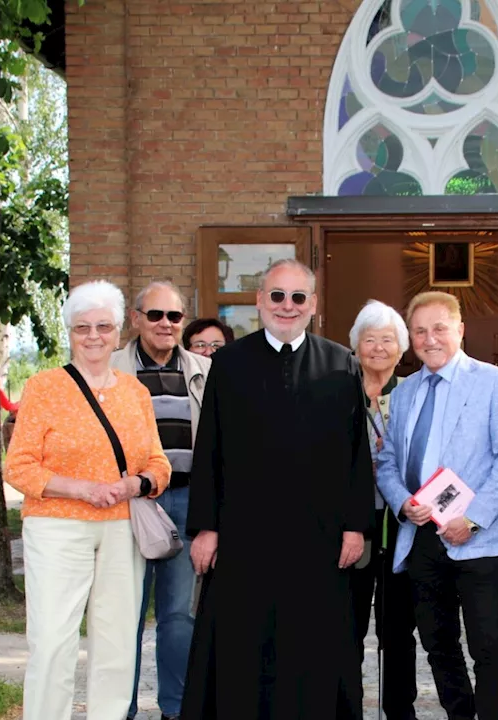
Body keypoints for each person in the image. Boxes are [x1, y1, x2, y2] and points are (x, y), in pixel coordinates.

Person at [181, 259, 374, 720]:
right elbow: (209, 448)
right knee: (243, 643)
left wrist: (356, 527)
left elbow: (356, 456)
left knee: (311, 645)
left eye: (298, 297)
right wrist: (205, 528)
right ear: (259, 301)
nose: (287, 306)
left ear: (313, 305)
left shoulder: (341, 365)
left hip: (318, 538)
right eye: (277, 296)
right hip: (245, 536)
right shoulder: (227, 364)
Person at [5, 279, 171, 720]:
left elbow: (159, 462)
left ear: (119, 331)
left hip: (121, 528)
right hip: (57, 525)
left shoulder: (135, 392)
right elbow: (18, 467)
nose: (93, 336)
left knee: (117, 640)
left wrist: (136, 484)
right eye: (82, 327)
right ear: (69, 332)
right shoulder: (44, 388)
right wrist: (81, 488)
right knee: (53, 640)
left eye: (103, 326)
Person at [375, 291, 498, 720]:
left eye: (439, 328)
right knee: (437, 644)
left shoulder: (495, 382)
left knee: (489, 646)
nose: (430, 339)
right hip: (423, 537)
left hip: (479, 540)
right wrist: (404, 503)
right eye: (419, 331)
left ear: (460, 329)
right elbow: (387, 463)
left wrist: (473, 519)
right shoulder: (404, 394)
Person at [112, 281, 211, 720]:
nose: (165, 325)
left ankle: (175, 709)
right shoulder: (110, 369)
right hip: (129, 505)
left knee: (178, 618)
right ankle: (122, 708)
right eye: (155, 315)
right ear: (136, 319)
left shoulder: (205, 371)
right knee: (124, 615)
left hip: (188, 501)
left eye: (174, 317)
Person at [348, 300, 419, 720]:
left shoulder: (411, 391)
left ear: (401, 346)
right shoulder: (339, 391)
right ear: (355, 346)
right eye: (369, 339)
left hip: (400, 523)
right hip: (353, 524)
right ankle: (347, 707)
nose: (378, 348)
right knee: (348, 626)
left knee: (398, 629)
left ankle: (399, 710)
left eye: (387, 340)